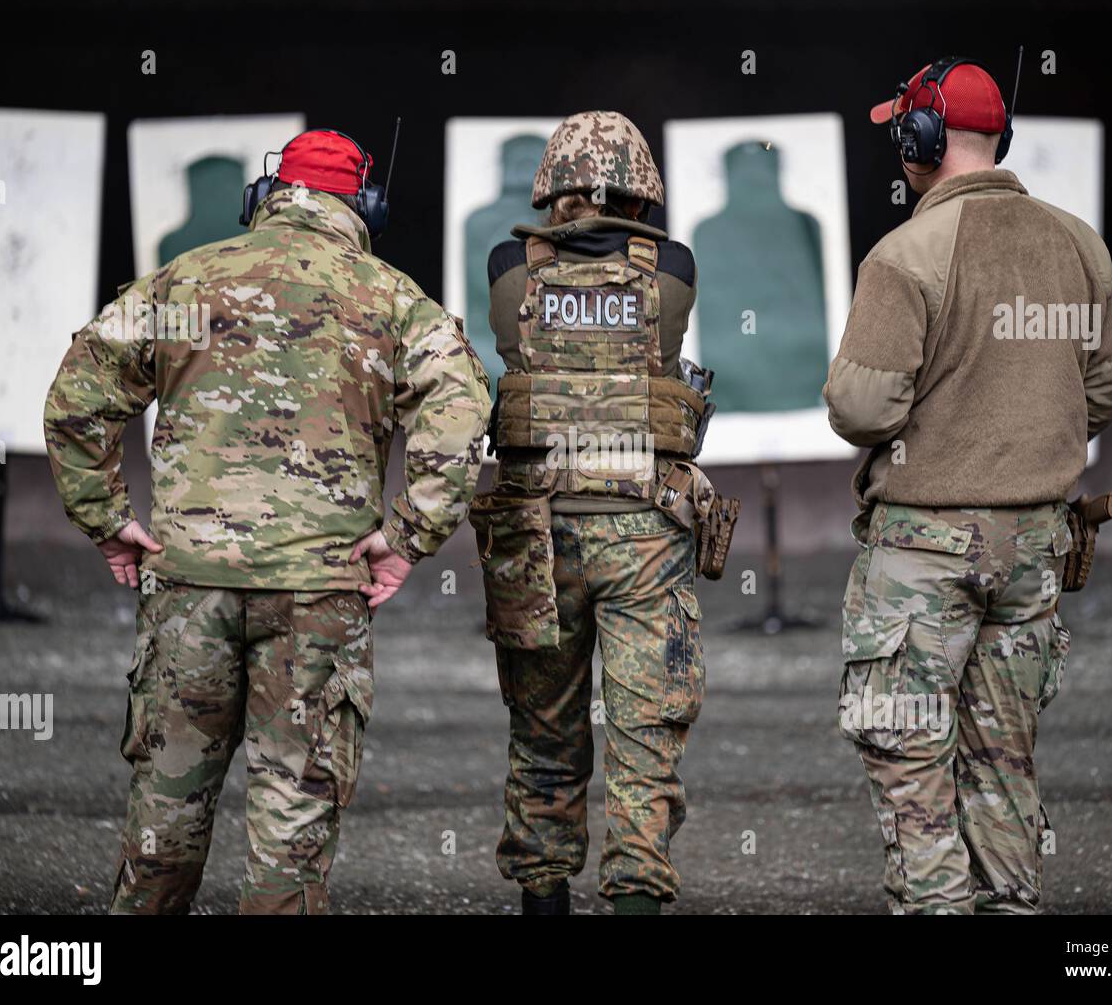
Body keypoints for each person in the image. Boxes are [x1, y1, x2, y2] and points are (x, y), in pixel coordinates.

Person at [43, 128, 491, 914]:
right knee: (291, 830)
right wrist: (408, 538)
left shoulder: (184, 284)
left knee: (164, 820)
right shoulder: (391, 298)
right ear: (365, 208)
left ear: (267, 196)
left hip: (189, 589)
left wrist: (107, 518)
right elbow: (458, 418)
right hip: (319, 596)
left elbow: (78, 398)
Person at [824, 58, 1112, 913]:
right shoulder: (1079, 243)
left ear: (918, 141)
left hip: (922, 551)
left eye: (902, 134)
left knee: (912, 767)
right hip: (1035, 548)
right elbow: (1102, 391)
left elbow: (861, 406)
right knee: (1004, 765)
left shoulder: (905, 253)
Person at [478, 110, 725, 915]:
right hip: (645, 533)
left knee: (543, 740)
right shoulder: (673, 266)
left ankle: (544, 901)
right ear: (643, 188)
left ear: (551, 183)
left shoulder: (511, 265)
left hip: (537, 533)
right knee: (644, 742)